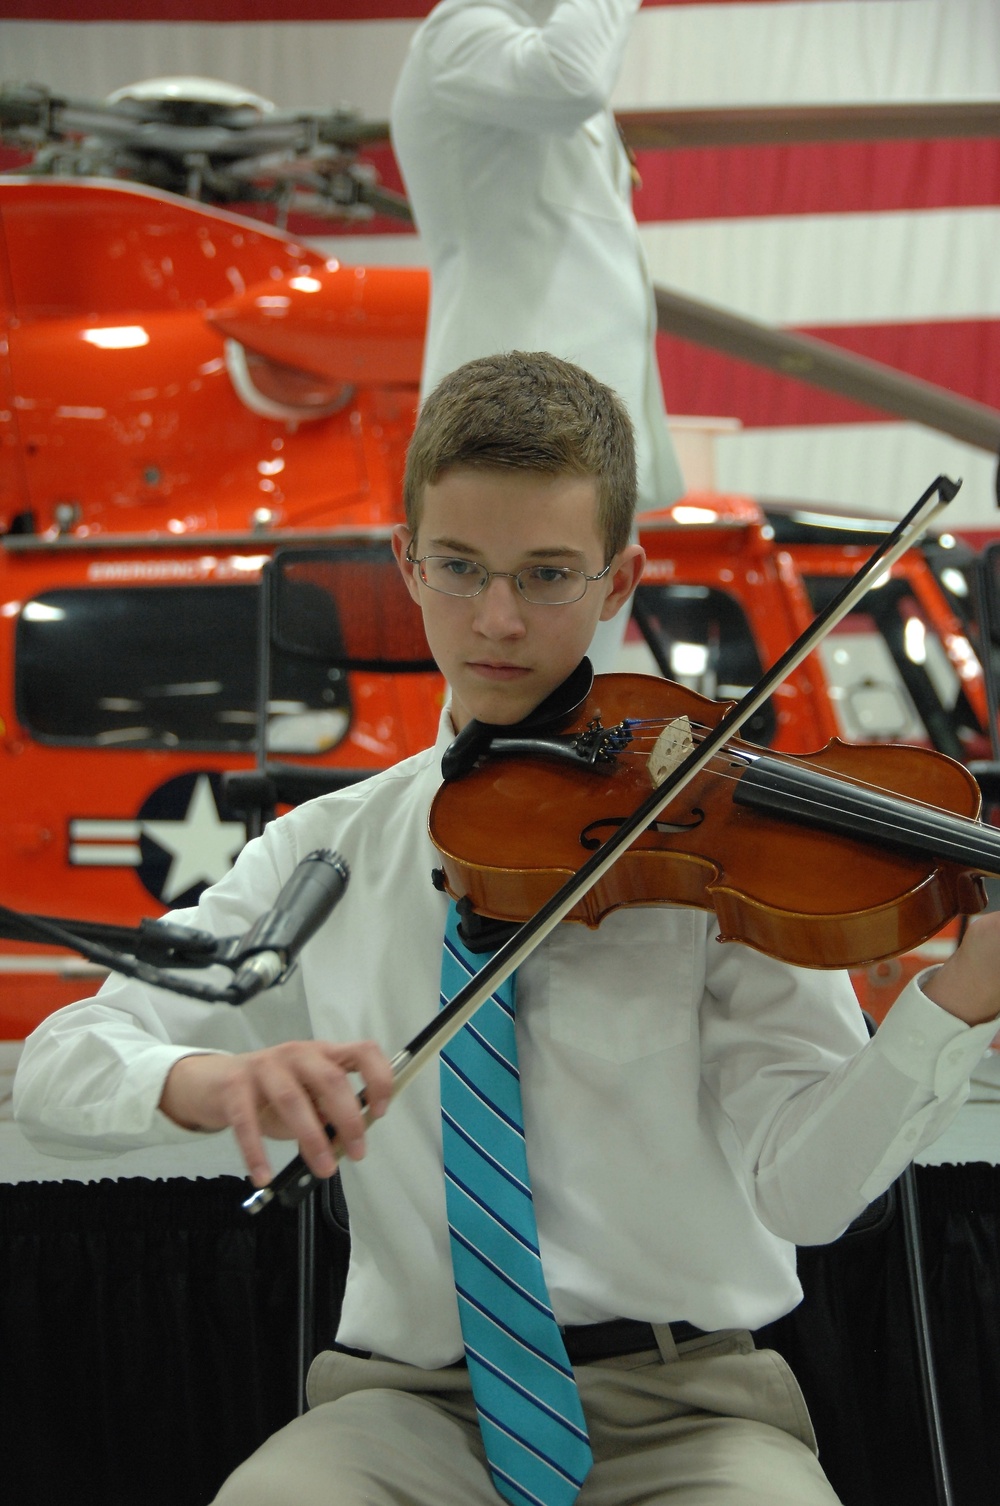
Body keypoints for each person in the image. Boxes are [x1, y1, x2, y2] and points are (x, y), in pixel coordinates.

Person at [14, 350, 1000, 1506]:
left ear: (618, 577)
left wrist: (954, 1008)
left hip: (687, 1412)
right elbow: (58, 1066)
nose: (496, 619)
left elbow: (804, 1197)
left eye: (546, 574)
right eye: (459, 567)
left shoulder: (712, 848)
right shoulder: (323, 850)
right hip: (403, 1408)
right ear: (406, 562)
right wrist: (206, 1084)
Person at [390, 0, 686, 671]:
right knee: (512, 666)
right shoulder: (457, 35)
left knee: (580, 680)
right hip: (513, 434)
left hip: (586, 435)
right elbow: (570, 77)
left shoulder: (519, 57)